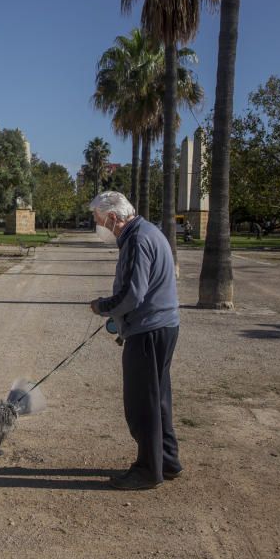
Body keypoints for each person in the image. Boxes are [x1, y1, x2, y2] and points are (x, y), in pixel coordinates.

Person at [88, 191, 183, 490]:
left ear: (113, 218)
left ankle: (147, 469)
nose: (99, 227)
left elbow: (132, 293)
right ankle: (167, 460)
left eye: (99, 221)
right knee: (158, 399)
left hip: (148, 329)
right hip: (163, 326)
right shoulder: (149, 231)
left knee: (142, 403)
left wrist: (103, 306)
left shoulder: (136, 239)